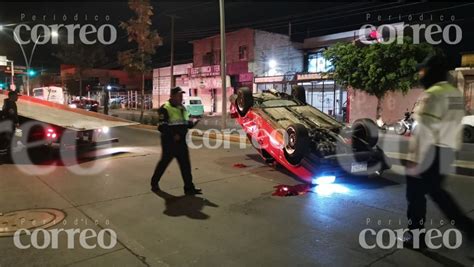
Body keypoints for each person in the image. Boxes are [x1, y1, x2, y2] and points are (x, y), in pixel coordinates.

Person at [404, 54, 474, 248]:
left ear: (430, 72)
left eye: (423, 71)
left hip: (429, 153)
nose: (421, 74)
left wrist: (415, 159)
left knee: (416, 193)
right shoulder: (454, 94)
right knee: (436, 192)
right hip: (448, 151)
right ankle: (468, 229)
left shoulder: (432, 94)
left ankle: (416, 236)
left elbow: (425, 130)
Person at [150, 87, 201, 195]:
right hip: (169, 143)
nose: (181, 97)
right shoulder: (165, 108)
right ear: (172, 96)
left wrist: (194, 121)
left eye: (182, 95)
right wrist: (173, 135)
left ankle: (189, 188)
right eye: (179, 95)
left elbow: (186, 123)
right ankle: (154, 183)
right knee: (164, 163)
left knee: (185, 165)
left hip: (181, 141)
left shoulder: (181, 108)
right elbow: (162, 127)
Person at [1, 90, 19, 162]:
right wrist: (17, 123)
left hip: (8, 124)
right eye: (16, 96)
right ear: (12, 96)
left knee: (10, 139)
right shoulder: (11, 104)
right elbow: (13, 115)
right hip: (10, 125)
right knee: (10, 139)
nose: (18, 97)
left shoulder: (8, 102)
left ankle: (7, 154)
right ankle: (5, 155)